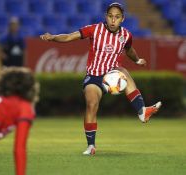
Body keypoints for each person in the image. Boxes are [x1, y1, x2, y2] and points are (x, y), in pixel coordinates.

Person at [40, 2, 162, 155]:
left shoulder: (126, 35)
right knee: (92, 104)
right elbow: (70, 36)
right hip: (94, 77)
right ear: (106, 16)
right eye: (110, 16)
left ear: (122, 19)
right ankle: (91, 146)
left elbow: (129, 49)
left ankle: (142, 111)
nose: (113, 20)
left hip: (112, 75)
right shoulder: (95, 29)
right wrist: (52, 38)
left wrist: (137, 60)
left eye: (117, 17)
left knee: (122, 70)